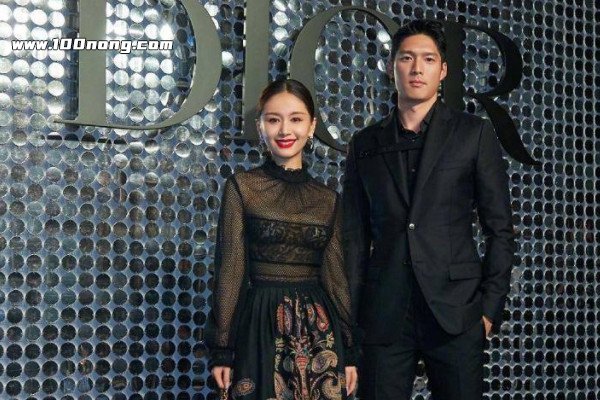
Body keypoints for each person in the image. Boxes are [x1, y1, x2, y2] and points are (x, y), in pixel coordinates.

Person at [342, 20, 515, 399]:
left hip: (456, 313)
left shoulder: (473, 133)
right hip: (384, 314)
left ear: (443, 70)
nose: (417, 68)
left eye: (428, 59)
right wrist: (351, 322)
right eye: (407, 58)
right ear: (392, 67)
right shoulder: (364, 144)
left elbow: (500, 228)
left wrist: (488, 309)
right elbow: (353, 241)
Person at [206, 79, 358, 399]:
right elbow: (230, 272)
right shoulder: (242, 187)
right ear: (260, 127)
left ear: (311, 126)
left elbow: (336, 279)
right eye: (274, 119)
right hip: (260, 325)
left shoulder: (328, 199)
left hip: (319, 331)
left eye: (296, 119)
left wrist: (350, 350)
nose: (285, 130)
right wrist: (223, 350)